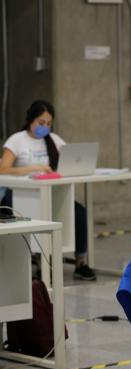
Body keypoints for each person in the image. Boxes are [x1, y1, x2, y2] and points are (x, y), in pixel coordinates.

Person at [0, 100, 96, 280]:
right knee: (35, 214)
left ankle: (80, 262)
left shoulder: (54, 140)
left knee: (79, 212)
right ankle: (38, 261)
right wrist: (34, 168)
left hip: (51, 194)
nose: (45, 127)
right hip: (21, 194)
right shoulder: (17, 140)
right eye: (41, 122)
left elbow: (70, 160)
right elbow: (3, 168)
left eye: (49, 123)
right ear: (31, 120)